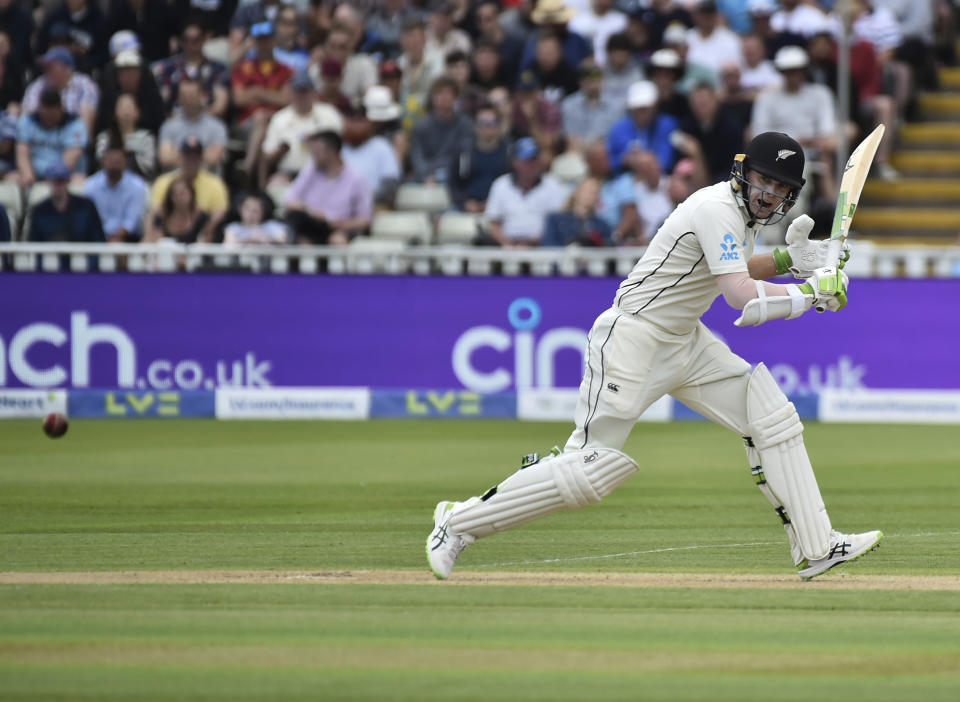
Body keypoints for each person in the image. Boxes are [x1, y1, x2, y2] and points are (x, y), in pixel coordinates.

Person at [426, 130, 882, 583]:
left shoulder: (741, 218)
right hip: (634, 339)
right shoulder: (715, 208)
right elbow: (740, 297)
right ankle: (458, 522)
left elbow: (733, 268)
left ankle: (818, 547)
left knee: (771, 414)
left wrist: (790, 260)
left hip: (685, 341)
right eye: (764, 180)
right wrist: (811, 292)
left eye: (781, 188)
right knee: (592, 467)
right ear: (743, 174)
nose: (769, 194)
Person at [283, 129, 373, 245]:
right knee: (298, 237)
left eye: (317, 152)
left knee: (337, 240)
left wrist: (336, 223)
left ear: (332, 151)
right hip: (310, 227)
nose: (313, 155)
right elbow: (289, 201)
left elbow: (364, 220)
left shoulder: (356, 179)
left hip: (338, 230)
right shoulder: (310, 171)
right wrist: (309, 211)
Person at [231, 21, 294, 183]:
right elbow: (239, 99)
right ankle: (260, 186)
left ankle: (247, 168)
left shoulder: (285, 70)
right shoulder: (243, 68)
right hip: (247, 123)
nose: (263, 44)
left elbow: (286, 100)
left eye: (266, 39)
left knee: (264, 125)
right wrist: (271, 96)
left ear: (274, 41)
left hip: (279, 122)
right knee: (261, 119)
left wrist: (256, 92)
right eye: (259, 40)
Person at [482, 137, 569, 247]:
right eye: (527, 160)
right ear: (515, 162)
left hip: (542, 249)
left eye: (535, 159)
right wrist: (508, 245)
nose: (532, 165)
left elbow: (558, 224)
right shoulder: (501, 184)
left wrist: (530, 243)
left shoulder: (553, 185)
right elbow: (493, 223)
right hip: (506, 249)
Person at [262, 71, 344, 186]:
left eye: (304, 91)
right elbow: (267, 155)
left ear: (313, 93)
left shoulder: (329, 114)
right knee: (276, 186)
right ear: (292, 93)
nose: (301, 96)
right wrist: (279, 152)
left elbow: (340, 149)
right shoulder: (280, 118)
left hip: (323, 172)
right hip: (289, 174)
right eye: (297, 91)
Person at [149, 137, 228, 241]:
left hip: (201, 236)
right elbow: (155, 213)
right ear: (180, 156)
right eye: (188, 156)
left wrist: (205, 233)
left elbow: (219, 214)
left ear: (201, 158)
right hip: (166, 236)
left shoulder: (215, 183)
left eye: (195, 157)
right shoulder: (163, 181)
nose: (191, 161)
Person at [151, 20, 230, 119]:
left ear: (205, 39)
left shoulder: (218, 69)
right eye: (185, 39)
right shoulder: (166, 69)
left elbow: (219, 106)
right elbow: (159, 104)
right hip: (173, 123)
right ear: (180, 41)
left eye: (195, 39)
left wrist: (194, 122)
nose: (190, 44)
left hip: (208, 123)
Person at [16, 88, 87, 188]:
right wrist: (28, 176)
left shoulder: (75, 124)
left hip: (64, 178)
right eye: (45, 115)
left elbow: (71, 158)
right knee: (13, 178)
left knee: (79, 180)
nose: (49, 119)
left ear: (60, 109)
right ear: (40, 109)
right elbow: (22, 152)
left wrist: (54, 179)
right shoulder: (28, 121)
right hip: (33, 177)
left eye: (52, 115)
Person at [21, 47, 99, 138]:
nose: (46, 70)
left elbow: (86, 125)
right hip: (41, 142)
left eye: (50, 67)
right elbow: (26, 119)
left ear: (67, 68)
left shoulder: (85, 84)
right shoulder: (38, 85)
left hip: (73, 142)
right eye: (45, 67)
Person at [409, 76, 473, 184]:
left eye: (449, 93)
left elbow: (466, 156)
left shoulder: (465, 124)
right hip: (427, 177)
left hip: (455, 177)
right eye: (439, 93)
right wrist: (426, 176)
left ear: (456, 97)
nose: (444, 97)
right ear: (432, 98)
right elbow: (417, 158)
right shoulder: (421, 126)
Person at [448, 104, 510, 213]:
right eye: (482, 123)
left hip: (502, 207)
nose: (486, 127)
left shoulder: (509, 151)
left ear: (499, 126)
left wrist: (494, 203)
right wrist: (464, 202)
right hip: (468, 206)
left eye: (491, 123)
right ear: (475, 126)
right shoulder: (463, 151)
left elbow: (513, 183)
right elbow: (453, 183)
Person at [157, 77, 228, 172]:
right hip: (175, 180)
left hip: (208, 179)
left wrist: (178, 154)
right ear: (179, 98)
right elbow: (165, 159)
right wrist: (200, 154)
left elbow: (213, 159)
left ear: (202, 96)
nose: (188, 99)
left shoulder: (217, 126)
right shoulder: (168, 126)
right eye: (184, 95)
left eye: (192, 95)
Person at [83, 138, 147, 241]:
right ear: (103, 161)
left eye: (118, 160)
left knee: (118, 246)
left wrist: (114, 239)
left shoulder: (137, 185)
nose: (114, 164)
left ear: (125, 161)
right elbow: (89, 219)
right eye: (111, 160)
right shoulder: (91, 185)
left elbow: (131, 222)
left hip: (128, 239)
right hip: (97, 237)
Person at [606, 80, 678, 172]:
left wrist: (641, 161)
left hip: (660, 178)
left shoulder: (667, 125)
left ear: (655, 106)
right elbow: (609, 162)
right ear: (630, 109)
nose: (641, 113)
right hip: (626, 178)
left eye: (645, 108)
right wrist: (624, 160)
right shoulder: (618, 128)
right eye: (637, 108)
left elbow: (666, 160)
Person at [28, 161, 104, 242]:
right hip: (49, 254)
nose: (58, 185)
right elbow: (33, 243)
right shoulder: (39, 211)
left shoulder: (86, 207)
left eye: (61, 180)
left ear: (68, 181)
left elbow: (98, 239)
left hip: (80, 253)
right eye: (54, 180)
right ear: (48, 181)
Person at [341, 105, 400, 207]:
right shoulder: (336, 149)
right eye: (352, 121)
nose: (356, 126)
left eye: (360, 121)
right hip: (338, 207)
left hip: (374, 207)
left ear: (369, 123)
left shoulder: (382, 146)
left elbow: (390, 184)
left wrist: (362, 201)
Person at [95, 94, 155, 178]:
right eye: (122, 106)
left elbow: (148, 165)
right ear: (115, 112)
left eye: (129, 106)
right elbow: (100, 159)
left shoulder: (146, 137)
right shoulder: (105, 136)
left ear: (137, 112)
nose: (126, 110)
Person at [541, 176, 612, 246]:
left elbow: (608, 248)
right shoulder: (555, 220)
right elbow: (549, 244)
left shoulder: (602, 225)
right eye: (587, 191)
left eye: (595, 193)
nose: (590, 195)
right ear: (577, 192)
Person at [144, 176, 209, 243]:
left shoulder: (201, 217)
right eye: (175, 194)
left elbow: (206, 240)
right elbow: (152, 240)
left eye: (182, 193)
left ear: (191, 194)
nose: (179, 198)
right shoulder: (162, 215)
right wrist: (152, 214)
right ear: (170, 197)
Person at [223, 193, 290, 245]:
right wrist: (249, 240)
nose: (250, 214)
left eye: (255, 211)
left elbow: (283, 240)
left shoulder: (271, 226)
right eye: (247, 209)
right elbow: (229, 245)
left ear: (263, 212)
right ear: (240, 209)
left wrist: (265, 240)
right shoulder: (233, 227)